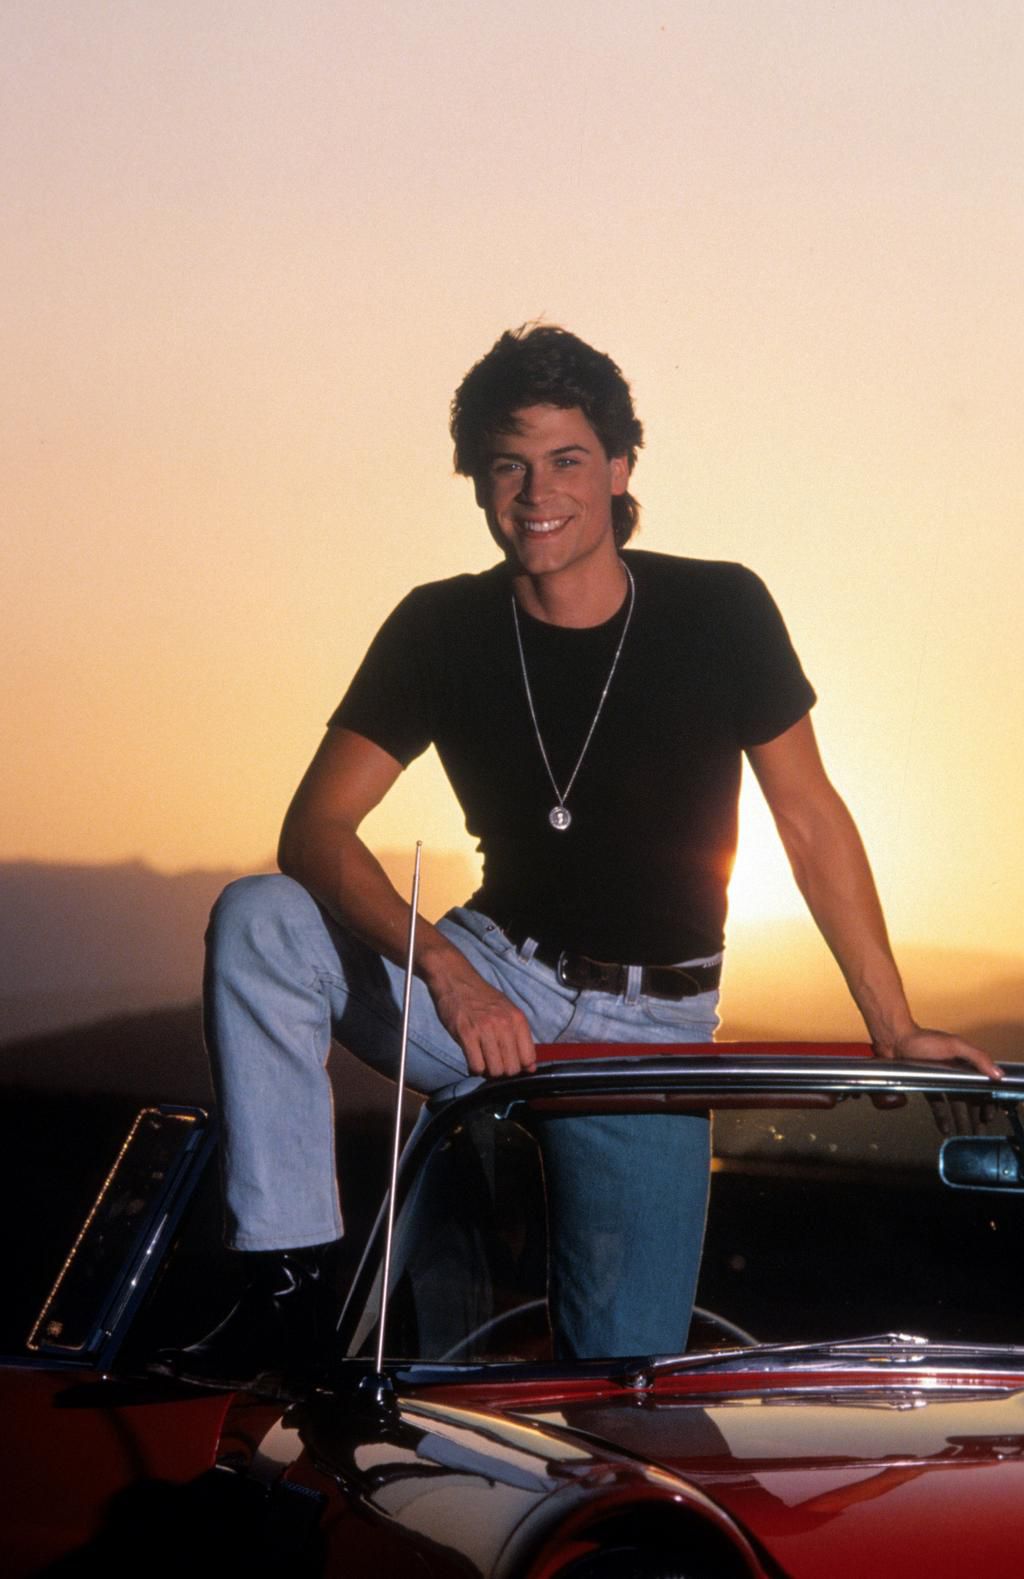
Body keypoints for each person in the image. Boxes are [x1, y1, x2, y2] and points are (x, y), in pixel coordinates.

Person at [186, 325, 999, 1380]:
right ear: (478, 479)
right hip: (490, 978)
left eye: (566, 459)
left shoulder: (720, 608)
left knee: (624, 1387)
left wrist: (892, 1023)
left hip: (650, 1038)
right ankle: (287, 1290)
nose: (536, 492)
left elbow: (808, 816)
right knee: (263, 920)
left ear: (618, 469)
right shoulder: (438, 625)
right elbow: (313, 831)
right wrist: (450, 972)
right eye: (508, 464)